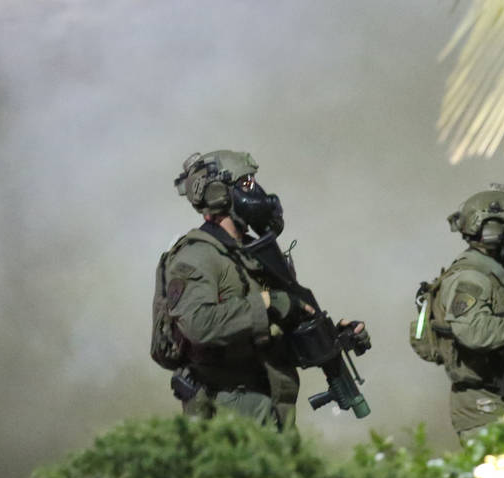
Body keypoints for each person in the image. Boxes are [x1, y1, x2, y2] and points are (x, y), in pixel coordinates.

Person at [154, 150, 361, 430]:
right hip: (226, 411)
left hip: (270, 405)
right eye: (247, 183)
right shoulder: (196, 256)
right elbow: (198, 324)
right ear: (219, 194)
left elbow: (272, 337)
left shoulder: (252, 255)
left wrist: (333, 337)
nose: (257, 193)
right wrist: (268, 302)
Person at [413, 185, 504, 443]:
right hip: (486, 410)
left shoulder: (487, 273)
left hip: (500, 404)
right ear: (492, 231)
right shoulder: (472, 278)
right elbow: (473, 331)